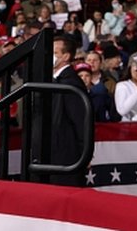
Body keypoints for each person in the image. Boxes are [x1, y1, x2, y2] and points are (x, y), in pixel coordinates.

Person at [50, 35, 92, 186]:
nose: (49, 56)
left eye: (54, 52)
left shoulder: (72, 83)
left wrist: (85, 154)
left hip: (67, 154)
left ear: (66, 56)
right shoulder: (54, 80)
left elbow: (81, 122)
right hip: (53, 152)